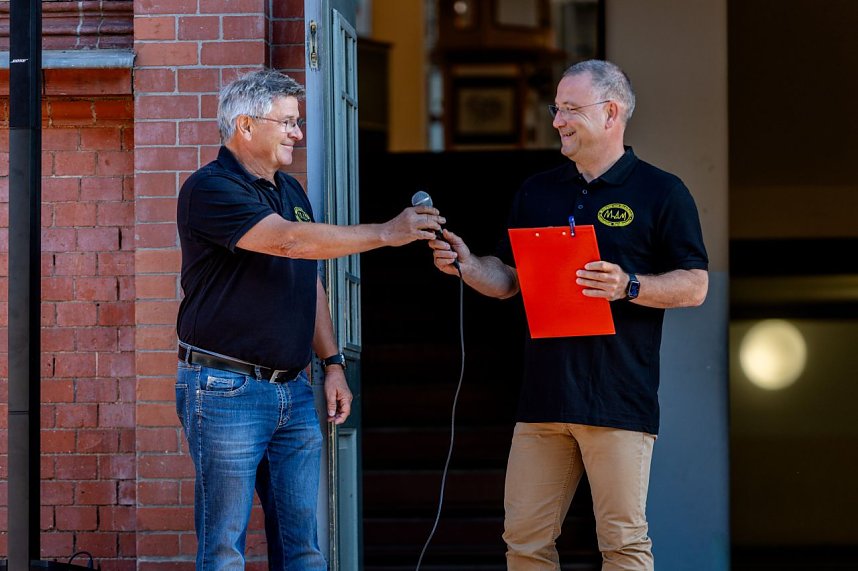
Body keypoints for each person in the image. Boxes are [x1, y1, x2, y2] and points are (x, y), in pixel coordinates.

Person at [430, 60, 709, 570]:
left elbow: (695, 285)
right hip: (543, 399)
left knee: (623, 544)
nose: (557, 120)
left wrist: (630, 285)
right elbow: (509, 279)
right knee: (524, 540)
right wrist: (468, 266)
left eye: (570, 109)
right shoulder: (538, 191)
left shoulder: (661, 192)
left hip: (619, 399)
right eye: (556, 108)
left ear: (611, 113)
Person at [175, 69, 444, 570]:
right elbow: (288, 241)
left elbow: (308, 278)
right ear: (246, 126)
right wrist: (388, 233)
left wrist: (334, 363)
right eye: (288, 123)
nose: (299, 134)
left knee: (303, 547)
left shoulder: (291, 189)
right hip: (224, 388)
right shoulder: (208, 189)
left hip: (294, 391)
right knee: (223, 548)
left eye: (298, 122)